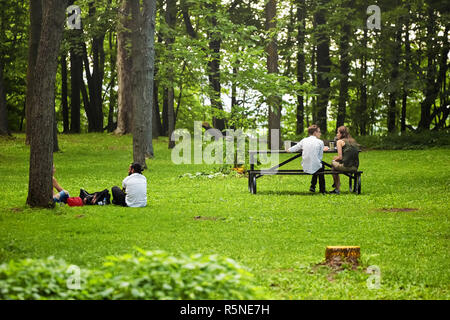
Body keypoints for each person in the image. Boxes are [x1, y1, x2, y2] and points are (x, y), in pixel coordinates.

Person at [287, 125, 329, 194]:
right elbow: (320, 157)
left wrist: (288, 150)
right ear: (315, 133)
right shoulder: (320, 142)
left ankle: (313, 186)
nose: (320, 133)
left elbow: (295, 148)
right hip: (315, 166)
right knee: (320, 166)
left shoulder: (304, 140)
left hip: (305, 166)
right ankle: (322, 190)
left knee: (316, 164)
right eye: (319, 132)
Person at [330, 126, 360, 194]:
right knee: (334, 168)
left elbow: (340, 157)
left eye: (337, 132)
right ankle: (336, 185)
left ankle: (337, 187)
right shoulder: (353, 141)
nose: (337, 134)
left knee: (333, 163)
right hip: (355, 167)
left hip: (346, 167)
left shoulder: (339, 141)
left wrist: (335, 158)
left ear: (341, 134)